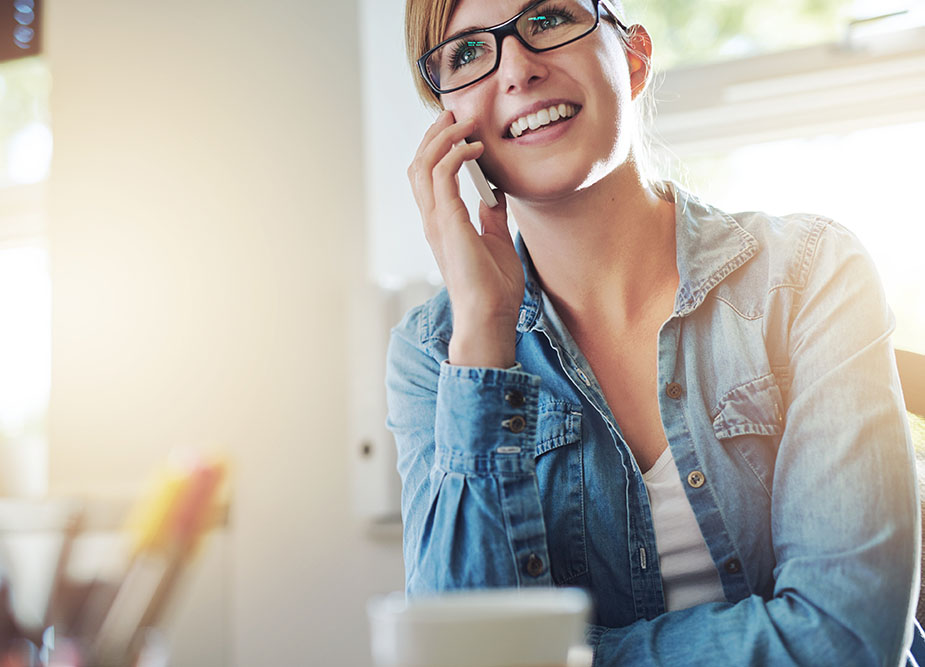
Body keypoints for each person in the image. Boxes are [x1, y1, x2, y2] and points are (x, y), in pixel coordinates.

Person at [385, 0, 921, 663]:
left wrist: (559, 656)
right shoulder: (434, 352)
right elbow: (458, 654)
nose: (518, 69)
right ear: (447, 124)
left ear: (634, 58)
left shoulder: (811, 272)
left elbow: (845, 639)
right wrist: (483, 336)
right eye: (467, 53)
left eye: (547, 19)